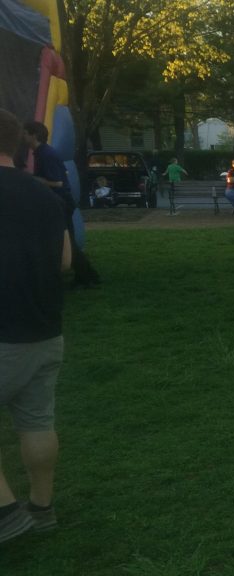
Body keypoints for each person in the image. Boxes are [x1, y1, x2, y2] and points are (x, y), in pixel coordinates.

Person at [0, 108, 71, 543]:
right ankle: (41, 509)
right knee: (37, 423)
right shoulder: (45, 196)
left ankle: (6, 512)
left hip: (3, 333)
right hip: (45, 331)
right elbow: (64, 261)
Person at [23, 120, 101, 287]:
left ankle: (87, 276)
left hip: (60, 203)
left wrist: (33, 179)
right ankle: (87, 276)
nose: (23, 136)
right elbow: (61, 176)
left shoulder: (46, 154)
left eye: (25, 133)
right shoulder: (43, 152)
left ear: (33, 135)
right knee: (67, 242)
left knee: (66, 242)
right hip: (60, 202)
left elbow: (58, 182)